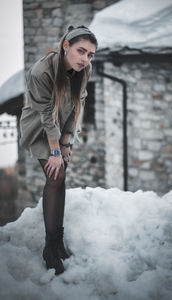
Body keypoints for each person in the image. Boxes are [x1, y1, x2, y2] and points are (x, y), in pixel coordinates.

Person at [20, 25, 98, 275]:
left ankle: (57, 241)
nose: (85, 59)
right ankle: (50, 248)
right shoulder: (41, 71)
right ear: (66, 46)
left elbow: (77, 104)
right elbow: (45, 116)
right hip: (39, 127)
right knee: (57, 174)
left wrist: (67, 142)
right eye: (81, 51)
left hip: (61, 126)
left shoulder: (83, 70)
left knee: (60, 176)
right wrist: (55, 151)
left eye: (90, 54)